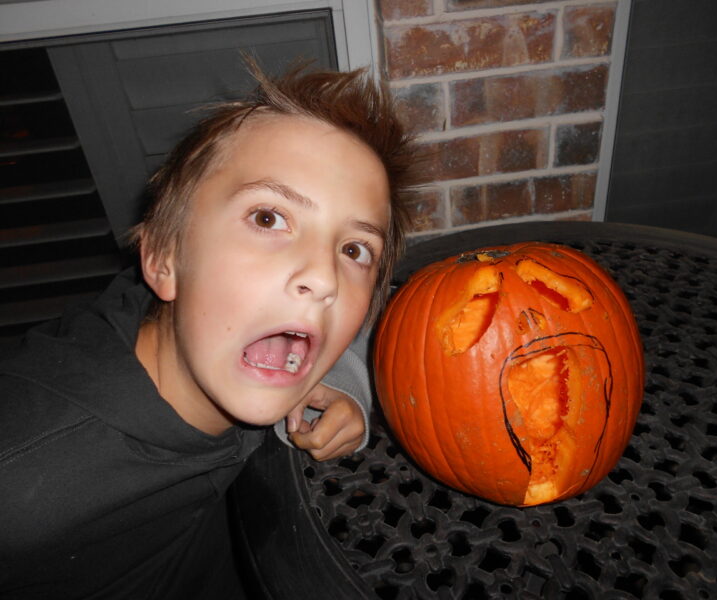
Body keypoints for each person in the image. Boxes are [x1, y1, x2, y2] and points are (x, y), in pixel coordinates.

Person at [0, 60, 417, 599]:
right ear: (164, 259)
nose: (324, 277)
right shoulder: (22, 481)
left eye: (354, 249)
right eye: (269, 218)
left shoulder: (212, 337)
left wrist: (346, 381)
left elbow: (392, 318)